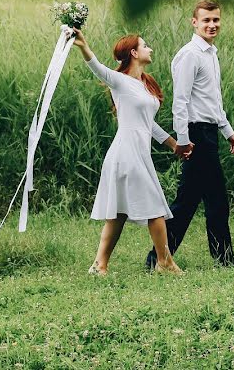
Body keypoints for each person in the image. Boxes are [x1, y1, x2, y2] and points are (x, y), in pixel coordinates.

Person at [72, 29, 186, 276]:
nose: (150, 49)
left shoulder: (145, 84)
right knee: (155, 206)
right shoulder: (120, 81)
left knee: (118, 214)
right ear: (134, 53)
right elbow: (97, 67)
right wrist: (83, 46)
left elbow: (149, 124)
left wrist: (173, 145)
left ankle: (99, 265)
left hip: (139, 153)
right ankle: (164, 262)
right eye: (145, 46)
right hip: (126, 153)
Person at [146, 0, 234, 270]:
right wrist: (184, 140)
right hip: (196, 135)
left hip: (209, 133)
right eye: (207, 20)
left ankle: (157, 259)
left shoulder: (210, 53)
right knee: (213, 201)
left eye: (216, 20)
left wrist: (228, 132)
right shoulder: (190, 54)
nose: (212, 25)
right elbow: (181, 101)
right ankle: (222, 260)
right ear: (194, 22)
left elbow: (214, 102)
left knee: (187, 203)